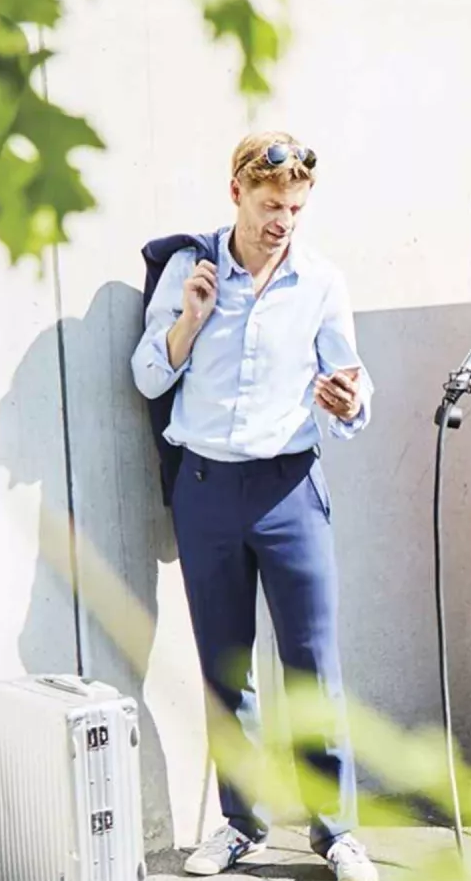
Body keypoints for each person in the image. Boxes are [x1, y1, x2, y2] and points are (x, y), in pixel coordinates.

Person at [131, 132, 377, 880]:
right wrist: (191, 318)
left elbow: (352, 392)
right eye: (271, 205)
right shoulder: (187, 268)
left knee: (312, 667)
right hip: (204, 492)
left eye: (296, 208)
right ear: (236, 192)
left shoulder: (321, 282)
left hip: (289, 490)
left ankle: (336, 832)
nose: (283, 222)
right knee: (224, 668)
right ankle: (241, 826)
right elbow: (146, 378)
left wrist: (351, 400)